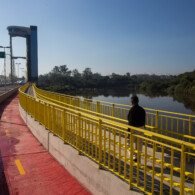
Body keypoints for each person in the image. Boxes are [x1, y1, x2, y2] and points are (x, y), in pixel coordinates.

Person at [127, 95, 145, 162]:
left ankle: (134, 157)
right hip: (141, 128)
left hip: (134, 129)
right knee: (139, 145)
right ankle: (139, 161)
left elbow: (130, 122)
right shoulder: (142, 109)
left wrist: (128, 132)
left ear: (132, 101)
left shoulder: (132, 110)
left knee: (128, 143)